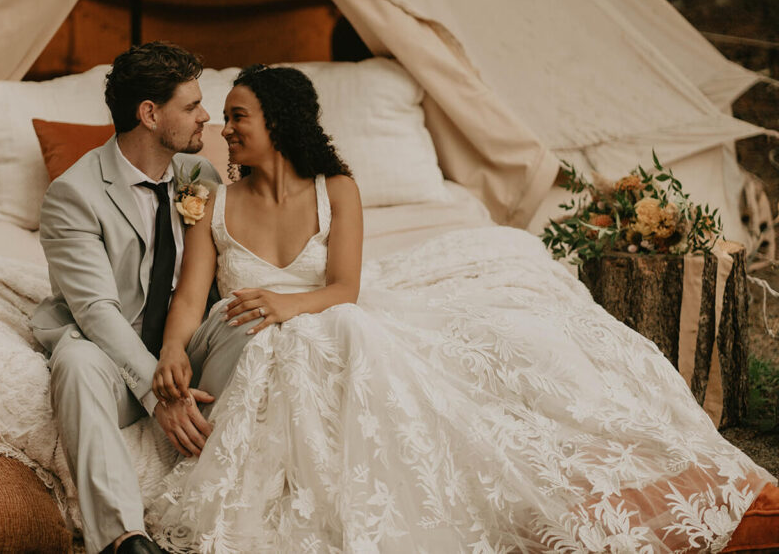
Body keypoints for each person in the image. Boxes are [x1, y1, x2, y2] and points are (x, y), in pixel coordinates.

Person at [142, 64, 773, 552]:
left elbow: (343, 289)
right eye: (223, 116)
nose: (225, 129)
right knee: (326, 334)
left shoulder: (338, 189)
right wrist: (172, 351)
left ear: (277, 122)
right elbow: (191, 297)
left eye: (237, 116)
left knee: (349, 330)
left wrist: (286, 304)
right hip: (240, 346)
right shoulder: (211, 200)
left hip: (328, 326)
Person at [31, 42, 250, 554]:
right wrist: (159, 397)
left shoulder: (199, 178)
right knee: (76, 361)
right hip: (112, 352)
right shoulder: (74, 194)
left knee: (249, 318)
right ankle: (124, 540)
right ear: (149, 114)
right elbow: (95, 313)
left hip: (183, 343)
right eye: (192, 106)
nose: (206, 116)